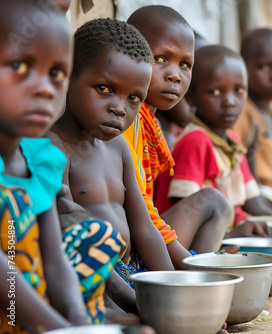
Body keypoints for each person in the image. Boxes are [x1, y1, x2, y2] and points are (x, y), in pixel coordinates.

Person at [48, 18, 177, 317]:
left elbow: (144, 228)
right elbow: (67, 243)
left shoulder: (118, 147)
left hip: (128, 270)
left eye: (134, 98)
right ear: (68, 78)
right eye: (104, 88)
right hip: (87, 277)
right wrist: (144, 307)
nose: (119, 108)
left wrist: (175, 289)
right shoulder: (53, 149)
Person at [0, 1, 89, 332]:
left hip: (24, 315)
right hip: (18, 311)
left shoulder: (39, 159)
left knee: (94, 234)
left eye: (56, 73)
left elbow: (55, 263)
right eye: (20, 66)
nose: (43, 88)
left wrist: (80, 325)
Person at [125, 6, 233, 263]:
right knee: (212, 202)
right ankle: (196, 272)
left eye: (185, 64)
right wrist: (186, 266)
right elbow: (137, 209)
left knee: (215, 203)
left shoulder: (149, 120)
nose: (175, 75)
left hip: (143, 236)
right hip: (128, 248)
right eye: (161, 59)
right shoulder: (126, 120)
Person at [154, 45, 272, 238]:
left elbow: (250, 203)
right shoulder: (196, 140)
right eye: (215, 92)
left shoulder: (231, 143)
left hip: (214, 233)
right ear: (191, 98)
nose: (229, 101)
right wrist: (234, 234)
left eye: (238, 90)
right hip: (177, 241)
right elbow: (190, 215)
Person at [232, 28, 272, 193]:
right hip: (248, 190)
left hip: (270, 187)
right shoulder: (241, 112)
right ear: (243, 67)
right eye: (265, 67)